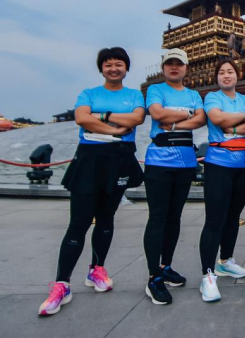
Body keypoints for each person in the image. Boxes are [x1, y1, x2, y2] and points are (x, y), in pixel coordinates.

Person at [38, 47, 145, 316]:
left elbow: (137, 118)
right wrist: (115, 128)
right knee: (79, 223)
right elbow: (81, 118)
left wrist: (100, 117)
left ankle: (96, 270)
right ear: (101, 69)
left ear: (126, 68)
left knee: (106, 219)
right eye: (108, 64)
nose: (113, 68)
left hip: (119, 160)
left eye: (119, 64)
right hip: (89, 160)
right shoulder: (88, 93)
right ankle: (62, 283)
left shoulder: (135, 95)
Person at [143, 48, 206, 305]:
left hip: (185, 161)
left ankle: (165, 265)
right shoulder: (156, 90)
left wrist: (174, 121)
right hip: (159, 160)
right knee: (157, 217)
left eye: (178, 63)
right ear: (163, 67)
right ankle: (153, 276)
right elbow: (157, 114)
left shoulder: (193, 94)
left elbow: (201, 120)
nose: (174, 67)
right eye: (169, 63)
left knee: (174, 217)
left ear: (186, 68)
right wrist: (187, 114)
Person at [197, 59, 245, 303]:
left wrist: (236, 126)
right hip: (218, 164)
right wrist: (241, 118)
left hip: (242, 166)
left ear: (237, 75)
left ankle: (225, 261)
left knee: (233, 216)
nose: (226, 75)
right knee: (214, 220)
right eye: (221, 72)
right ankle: (207, 275)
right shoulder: (212, 97)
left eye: (230, 71)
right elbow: (218, 119)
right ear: (217, 77)